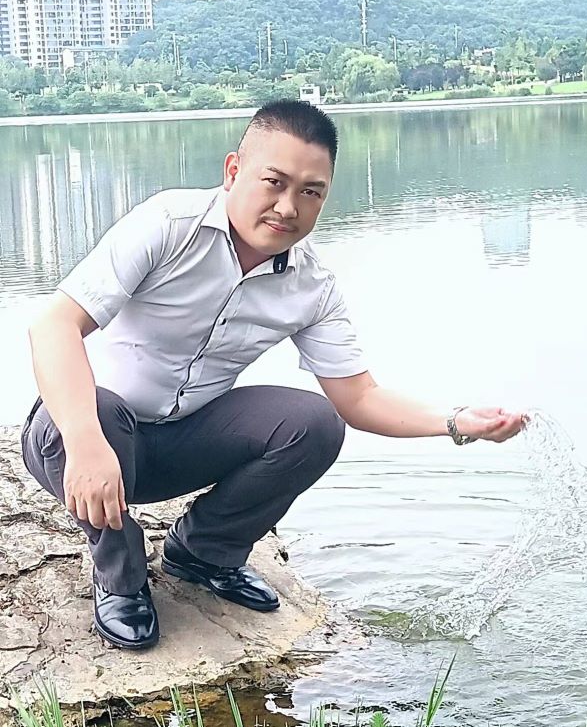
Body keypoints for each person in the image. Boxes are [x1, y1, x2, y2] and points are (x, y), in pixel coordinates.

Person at [22, 100, 525, 651]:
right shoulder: (167, 224)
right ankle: (120, 577)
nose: (288, 207)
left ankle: (204, 553)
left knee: (315, 422)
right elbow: (54, 326)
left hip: (179, 443)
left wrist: (456, 421)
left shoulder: (312, 286)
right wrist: (86, 443)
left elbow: (360, 398)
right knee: (101, 408)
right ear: (233, 170)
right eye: (274, 182)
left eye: (311, 192)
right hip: (83, 440)